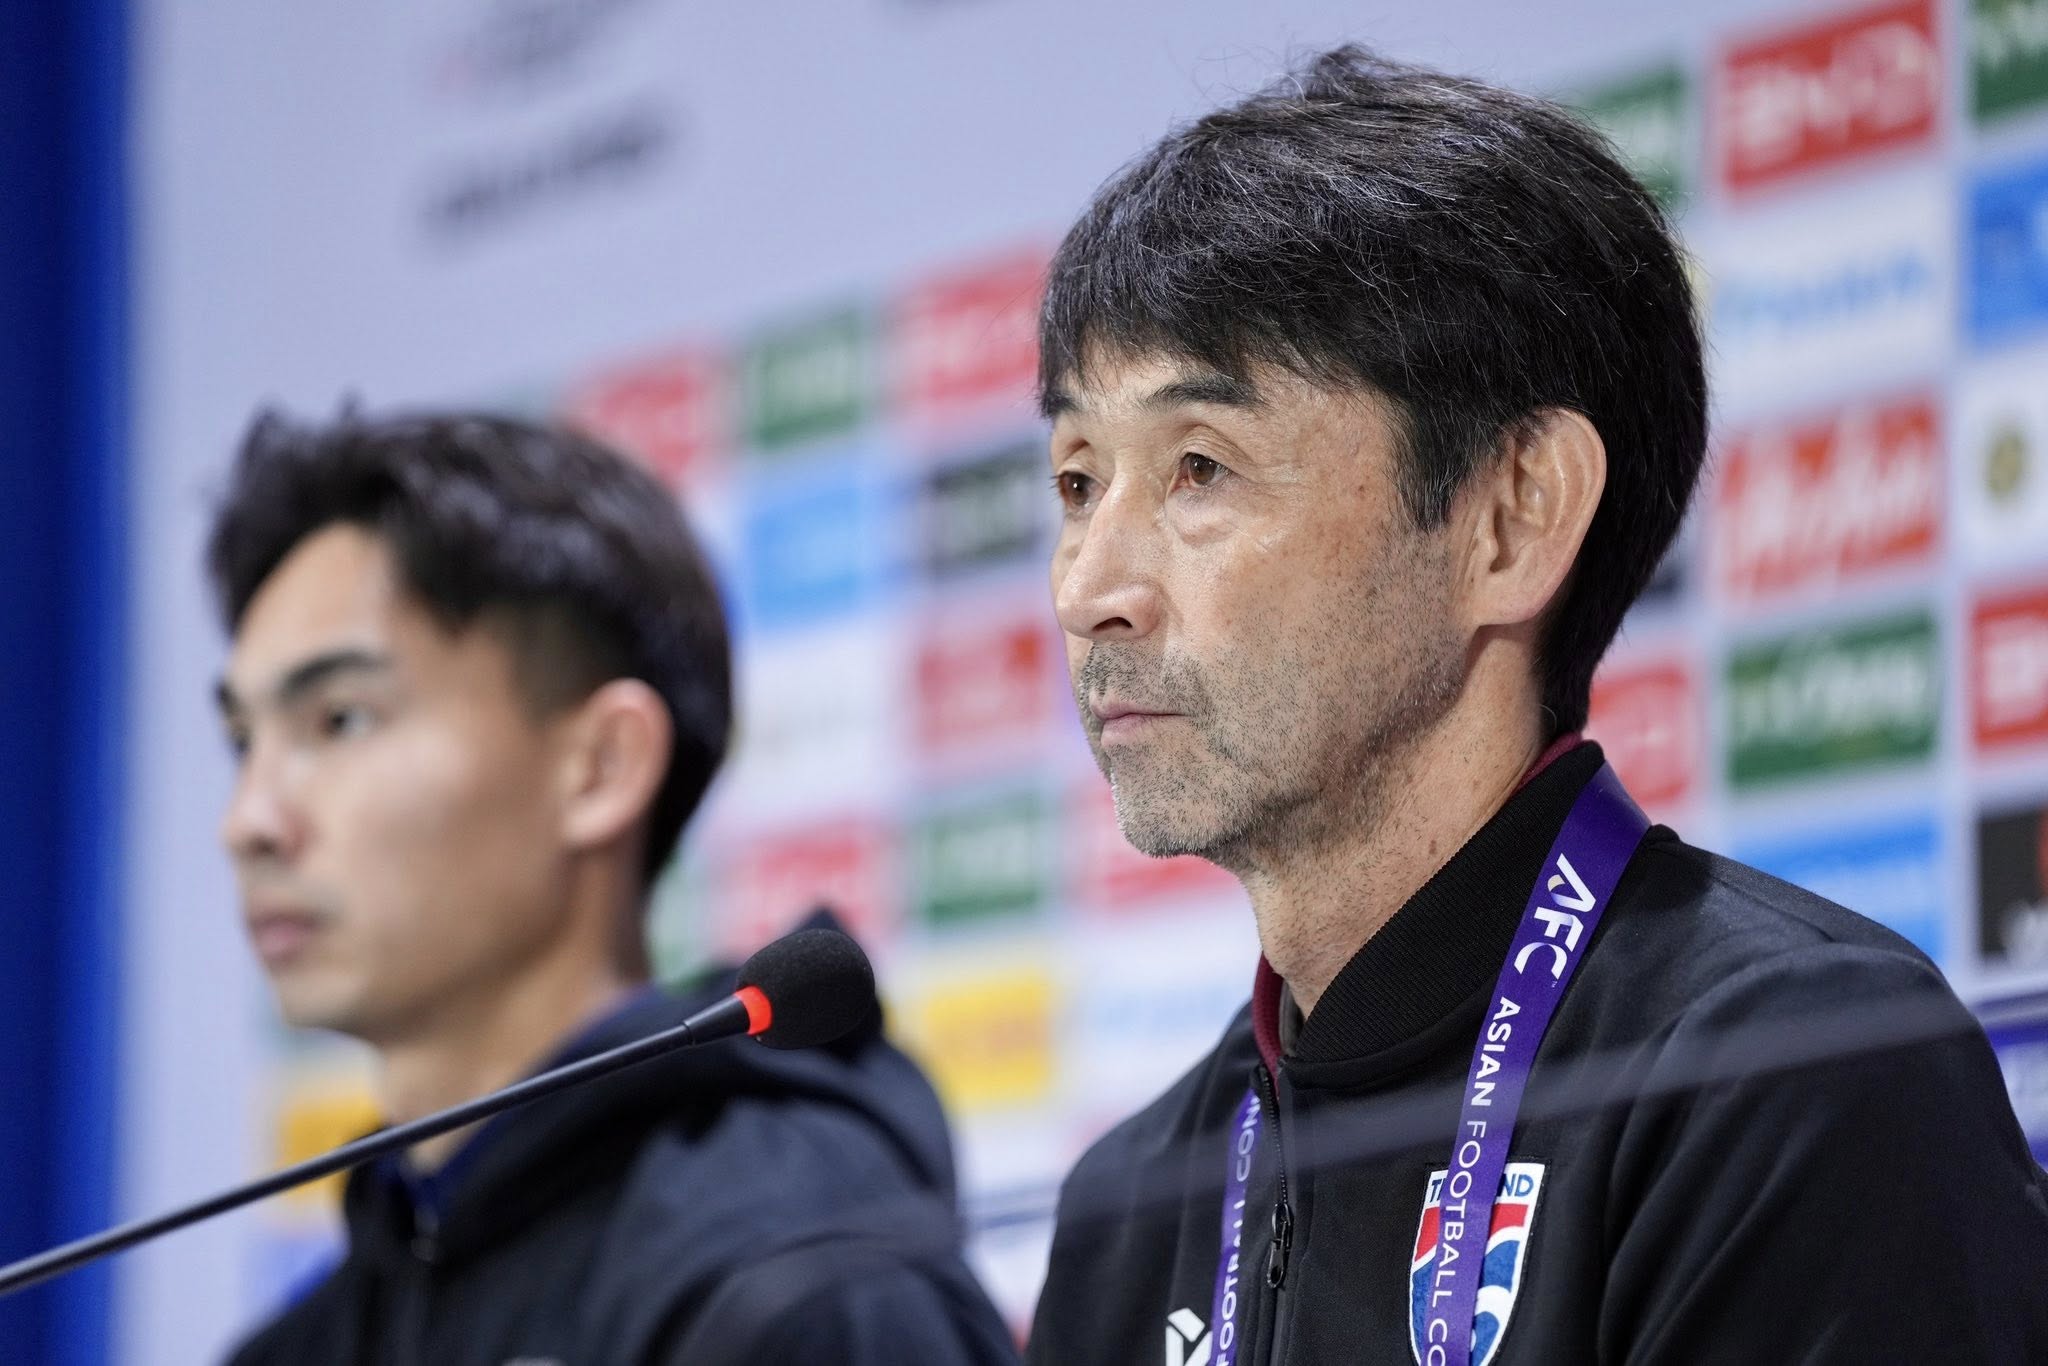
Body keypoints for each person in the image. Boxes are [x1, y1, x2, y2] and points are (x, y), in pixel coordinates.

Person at [1025, 46, 2048, 1366]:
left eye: (1198, 467)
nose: (1088, 590)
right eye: (1075, 480)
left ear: (1512, 517)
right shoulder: (1129, 1205)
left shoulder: (1790, 1074)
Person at [208, 412, 1017, 1365]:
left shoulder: (798, 1288)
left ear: (600, 767)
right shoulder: (295, 1347)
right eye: (243, 742)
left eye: (340, 720)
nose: (248, 821)